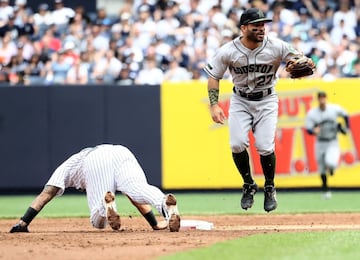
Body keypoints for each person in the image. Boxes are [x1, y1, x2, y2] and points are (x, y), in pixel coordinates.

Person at [203, 8, 315, 212]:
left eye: (263, 25)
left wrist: (306, 62)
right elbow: (213, 76)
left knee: (264, 146)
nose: (261, 29)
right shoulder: (228, 50)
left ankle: (270, 187)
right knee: (237, 144)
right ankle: (248, 184)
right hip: (240, 100)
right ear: (244, 28)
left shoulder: (277, 46)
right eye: (256, 26)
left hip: (267, 100)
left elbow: (303, 60)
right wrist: (214, 104)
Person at [9, 144, 181, 233]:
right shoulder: (81, 161)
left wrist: (24, 222)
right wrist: (154, 224)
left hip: (96, 160)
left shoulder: (68, 166)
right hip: (121, 152)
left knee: (97, 221)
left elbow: (45, 194)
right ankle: (164, 202)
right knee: (138, 189)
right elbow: (133, 198)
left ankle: (105, 206)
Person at [305, 91, 349, 199]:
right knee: (321, 169)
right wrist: (313, 131)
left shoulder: (333, 109)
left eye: (323, 97)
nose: (322, 100)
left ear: (326, 98)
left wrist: (346, 127)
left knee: (331, 162)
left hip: (332, 141)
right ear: (318, 99)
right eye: (320, 98)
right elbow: (308, 129)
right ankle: (325, 190)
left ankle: (332, 169)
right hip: (320, 142)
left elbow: (345, 114)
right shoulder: (313, 113)